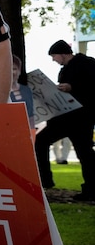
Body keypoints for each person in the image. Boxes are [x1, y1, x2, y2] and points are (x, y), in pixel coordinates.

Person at [34, 40, 95, 200]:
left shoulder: (87, 63)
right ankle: (45, 180)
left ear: (62, 53)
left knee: (85, 153)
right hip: (66, 118)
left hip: (82, 118)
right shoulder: (64, 70)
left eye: (54, 56)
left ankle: (91, 190)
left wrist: (72, 87)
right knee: (40, 140)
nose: (53, 60)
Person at [9, 54, 35, 129]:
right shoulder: (0, 92)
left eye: (14, 69)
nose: (12, 72)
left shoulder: (26, 90)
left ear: (19, 71)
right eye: (9, 69)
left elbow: (31, 114)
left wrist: (32, 133)